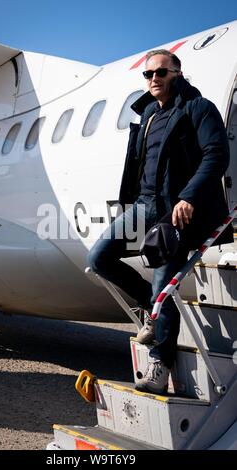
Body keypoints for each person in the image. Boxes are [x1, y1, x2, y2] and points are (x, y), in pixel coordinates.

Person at [88, 49, 232, 394]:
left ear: (177, 74)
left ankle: (160, 364)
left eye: (161, 73)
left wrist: (189, 198)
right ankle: (150, 314)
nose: (154, 78)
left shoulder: (198, 108)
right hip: (143, 205)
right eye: (149, 74)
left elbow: (217, 154)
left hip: (175, 211)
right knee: (99, 259)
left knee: (163, 287)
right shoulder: (150, 113)